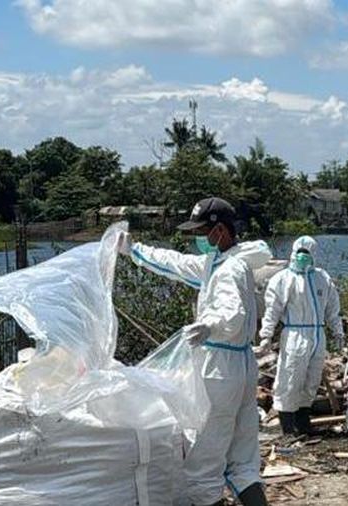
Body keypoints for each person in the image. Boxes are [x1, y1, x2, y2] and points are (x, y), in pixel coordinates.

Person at [118, 197, 272, 506]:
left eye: (202, 231)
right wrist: (135, 250)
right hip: (240, 364)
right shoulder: (222, 262)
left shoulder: (229, 269)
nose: (198, 238)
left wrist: (209, 326)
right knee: (242, 458)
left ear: (219, 230)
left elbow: (234, 313)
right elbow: (175, 263)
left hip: (220, 367)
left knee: (205, 458)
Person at [259, 236, 344, 435]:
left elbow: (333, 308)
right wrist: (266, 335)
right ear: (293, 252)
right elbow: (272, 310)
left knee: (311, 380)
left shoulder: (322, 278)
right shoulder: (283, 279)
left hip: (317, 335)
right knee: (290, 379)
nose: (303, 257)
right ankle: (288, 428)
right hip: (295, 334)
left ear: (314, 255)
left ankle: (303, 424)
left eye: (307, 253)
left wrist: (338, 331)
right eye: (300, 252)